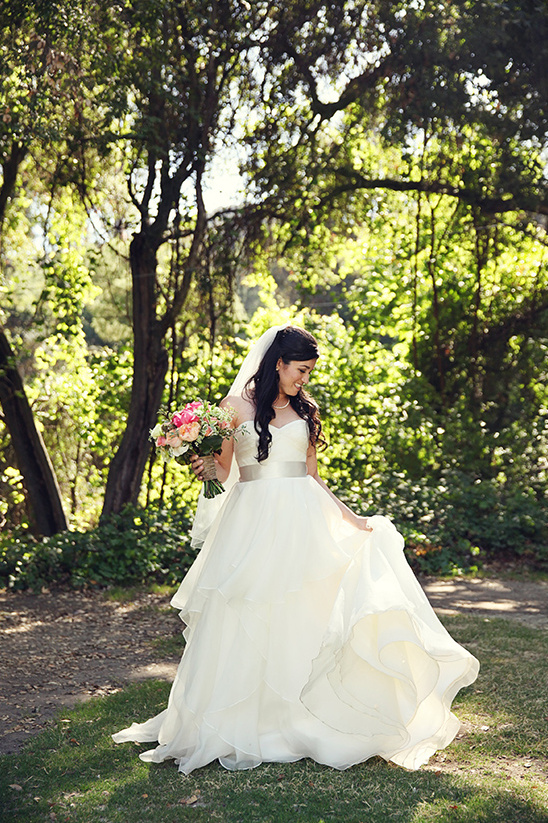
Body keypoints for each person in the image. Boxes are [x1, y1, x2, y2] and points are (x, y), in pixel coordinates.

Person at [113, 324, 479, 774]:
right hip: (252, 520)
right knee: (249, 611)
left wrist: (354, 521)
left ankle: (300, 714)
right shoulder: (233, 407)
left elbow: (312, 476)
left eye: (308, 372)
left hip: (302, 519)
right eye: (299, 370)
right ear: (278, 363)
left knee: (304, 613)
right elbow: (225, 472)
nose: (303, 379)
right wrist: (201, 459)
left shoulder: (306, 409)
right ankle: (245, 718)